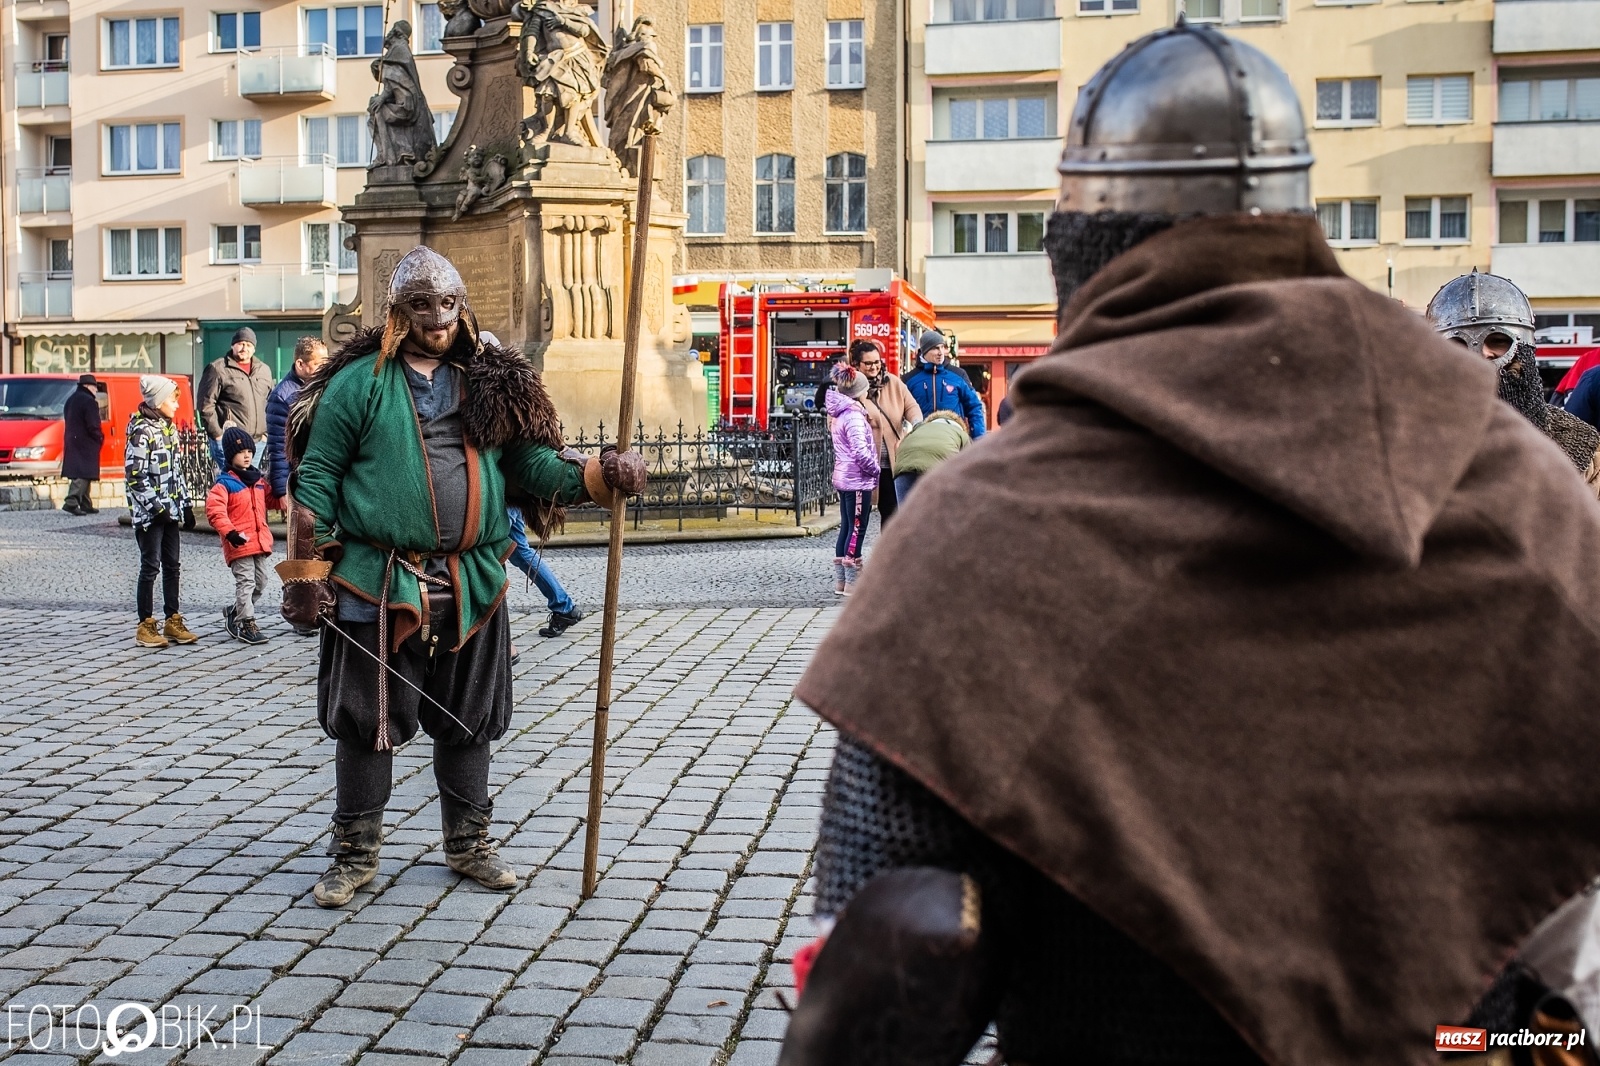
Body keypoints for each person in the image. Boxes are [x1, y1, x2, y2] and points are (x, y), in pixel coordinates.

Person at [780, 23, 1600, 1066]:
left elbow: (885, 947)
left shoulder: (978, 525)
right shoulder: (1517, 485)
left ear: (1077, 241)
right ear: (1295, 223)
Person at [290, 246, 647, 908]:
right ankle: (354, 853)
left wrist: (598, 477)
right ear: (397, 313)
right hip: (377, 578)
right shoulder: (359, 383)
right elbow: (316, 477)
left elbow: (533, 465)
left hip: (472, 582)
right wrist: (308, 573)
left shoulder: (489, 381)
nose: (438, 318)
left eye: (448, 304)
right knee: (368, 720)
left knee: (470, 719)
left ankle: (469, 844)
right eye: (422, 306)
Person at [1426, 269, 1600, 493]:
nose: (1482, 353)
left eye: (1498, 340)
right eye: (1458, 342)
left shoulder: (1580, 443)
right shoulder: (1406, 439)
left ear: (1523, 349)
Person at [126, 375, 198, 650]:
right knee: (150, 566)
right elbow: (135, 475)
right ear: (158, 401)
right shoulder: (141, 432)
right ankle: (145, 624)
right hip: (150, 515)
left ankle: (172, 618)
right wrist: (156, 509)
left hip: (171, 511)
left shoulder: (168, 429)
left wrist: (187, 504)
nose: (177, 406)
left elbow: (177, 472)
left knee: (173, 566)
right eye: (172, 400)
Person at [207, 427, 274, 647]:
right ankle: (246, 623)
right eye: (240, 451)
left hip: (260, 542)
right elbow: (215, 512)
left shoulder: (259, 481)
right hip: (239, 542)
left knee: (261, 582)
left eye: (249, 450)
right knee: (246, 582)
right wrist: (230, 533)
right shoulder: (224, 483)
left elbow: (273, 500)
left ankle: (235, 611)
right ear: (229, 454)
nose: (246, 455)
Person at [849, 340, 920, 527]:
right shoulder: (849, 387)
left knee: (891, 512)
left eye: (877, 362)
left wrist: (916, 424)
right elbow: (835, 418)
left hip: (890, 461)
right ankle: (852, 555)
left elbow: (911, 406)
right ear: (857, 364)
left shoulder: (893, 382)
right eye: (868, 363)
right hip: (863, 464)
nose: (874, 367)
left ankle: (887, 553)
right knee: (857, 516)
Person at [825, 363, 878, 596]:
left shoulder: (839, 414)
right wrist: (875, 469)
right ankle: (852, 583)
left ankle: (841, 582)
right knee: (858, 527)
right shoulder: (854, 416)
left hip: (845, 476)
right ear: (859, 392)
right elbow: (860, 451)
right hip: (857, 479)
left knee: (847, 526)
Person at [198, 327, 274, 473]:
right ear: (233, 345)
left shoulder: (264, 370)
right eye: (240, 343)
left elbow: (270, 401)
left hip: (257, 443)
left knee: (248, 484)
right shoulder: (217, 368)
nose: (244, 348)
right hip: (229, 441)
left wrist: (265, 434)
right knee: (231, 483)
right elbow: (205, 404)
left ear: (254, 349)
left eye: (249, 344)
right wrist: (218, 435)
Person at [266, 337, 328, 504]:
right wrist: (281, 490)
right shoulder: (282, 397)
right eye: (319, 364)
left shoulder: (326, 384)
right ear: (300, 364)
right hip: (303, 475)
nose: (325, 368)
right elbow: (279, 446)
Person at [904, 332, 986, 439]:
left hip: (953, 439)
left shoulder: (959, 375)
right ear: (924, 351)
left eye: (942, 347)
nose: (940, 352)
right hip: (922, 441)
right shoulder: (908, 379)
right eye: (935, 348)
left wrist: (978, 439)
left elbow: (974, 407)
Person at [889, 410, 969, 505]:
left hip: (904, 468)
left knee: (906, 515)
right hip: (938, 470)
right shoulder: (961, 433)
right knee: (938, 514)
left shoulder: (919, 428)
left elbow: (900, 445)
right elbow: (970, 465)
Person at [60, 373, 103, 516]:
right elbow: (93, 424)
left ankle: (85, 503)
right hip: (86, 442)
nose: (96, 390)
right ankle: (71, 502)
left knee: (84, 471)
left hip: (73, 440)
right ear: (87, 386)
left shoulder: (71, 399)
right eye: (94, 387)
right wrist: (99, 437)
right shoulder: (89, 401)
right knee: (83, 473)